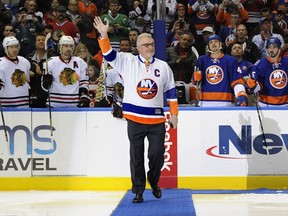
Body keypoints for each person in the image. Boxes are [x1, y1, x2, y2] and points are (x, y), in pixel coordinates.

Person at [93, 16, 178, 203]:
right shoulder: (127, 61)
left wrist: (174, 114)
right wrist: (104, 35)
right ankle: (138, 190)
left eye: (152, 44)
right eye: (146, 45)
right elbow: (108, 54)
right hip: (134, 118)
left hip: (156, 119)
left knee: (156, 155)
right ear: (138, 47)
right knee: (136, 156)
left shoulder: (163, 67)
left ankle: (154, 181)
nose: (150, 47)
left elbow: (171, 91)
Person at [192, 34, 247, 107]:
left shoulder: (231, 60)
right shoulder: (202, 60)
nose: (213, 44)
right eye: (211, 42)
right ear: (208, 46)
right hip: (205, 102)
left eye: (216, 41)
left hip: (226, 103)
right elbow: (195, 83)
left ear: (220, 44)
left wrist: (241, 94)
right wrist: (195, 79)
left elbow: (237, 81)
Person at [42, 35, 90, 108]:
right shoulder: (50, 62)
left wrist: (83, 95)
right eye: (66, 46)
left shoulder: (80, 62)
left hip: (74, 104)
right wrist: (46, 82)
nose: (69, 49)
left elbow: (83, 82)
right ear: (60, 47)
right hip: (54, 104)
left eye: (71, 46)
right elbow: (45, 87)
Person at [247, 37, 288, 107]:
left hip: (286, 104)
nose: (271, 50)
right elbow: (256, 86)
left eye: (274, 47)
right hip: (266, 104)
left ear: (279, 49)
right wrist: (253, 85)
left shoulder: (286, 62)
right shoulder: (260, 64)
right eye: (269, 47)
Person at [0, 36, 31, 107]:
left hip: (24, 104)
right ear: (6, 48)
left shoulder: (25, 62)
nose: (15, 49)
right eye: (11, 47)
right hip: (6, 105)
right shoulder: (1, 63)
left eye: (16, 47)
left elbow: (27, 81)